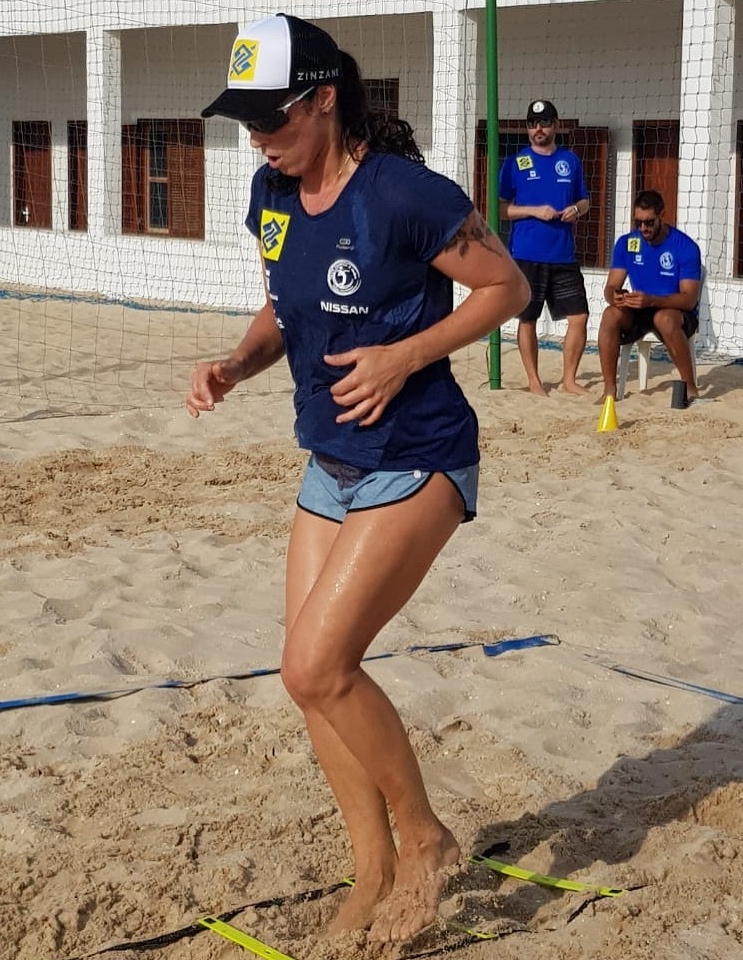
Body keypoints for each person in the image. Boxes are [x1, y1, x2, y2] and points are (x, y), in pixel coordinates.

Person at [188, 13, 529, 944]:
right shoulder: (271, 190)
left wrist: (403, 356)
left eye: (270, 118)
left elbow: (508, 289)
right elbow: (281, 303)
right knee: (307, 681)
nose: (257, 138)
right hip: (330, 461)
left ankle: (425, 840)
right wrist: (236, 363)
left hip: (418, 456)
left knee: (318, 664)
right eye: (245, 121)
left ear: (324, 101)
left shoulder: (406, 195)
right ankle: (372, 869)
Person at [498, 99, 591, 395]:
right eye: (532, 123)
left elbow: (585, 201)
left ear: (556, 125)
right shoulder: (515, 163)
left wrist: (576, 210)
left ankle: (569, 380)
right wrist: (534, 211)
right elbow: (500, 210)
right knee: (528, 319)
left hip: (563, 254)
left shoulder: (570, 161)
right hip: (527, 253)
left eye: (545, 122)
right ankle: (534, 381)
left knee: (579, 316)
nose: (538, 128)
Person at [598, 190, 702, 403]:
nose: (643, 228)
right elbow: (610, 287)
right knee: (610, 314)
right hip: (641, 308)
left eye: (649, 222)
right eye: (638, 222)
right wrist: (615, 296)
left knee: (664, 318)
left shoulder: (685, 247)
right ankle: (609, 390)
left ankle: (691, 389)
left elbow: (689, 300)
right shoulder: (627, 243)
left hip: (676, 311)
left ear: (662, 215)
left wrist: (652, 300)